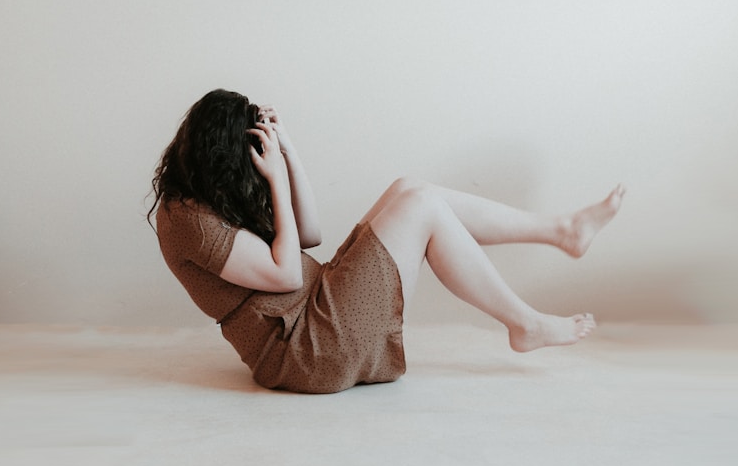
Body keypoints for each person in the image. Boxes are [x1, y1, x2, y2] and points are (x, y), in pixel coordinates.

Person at [150, 89, 625, 394]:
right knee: (419, 205)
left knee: (411, 190)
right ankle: (527, 322)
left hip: (318, 309)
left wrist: (288, 154)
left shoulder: (211, 194)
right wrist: (273, 179)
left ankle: (561, 231)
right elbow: (287, 273)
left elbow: (309, 236)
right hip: (306, 351)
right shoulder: (187, 218)